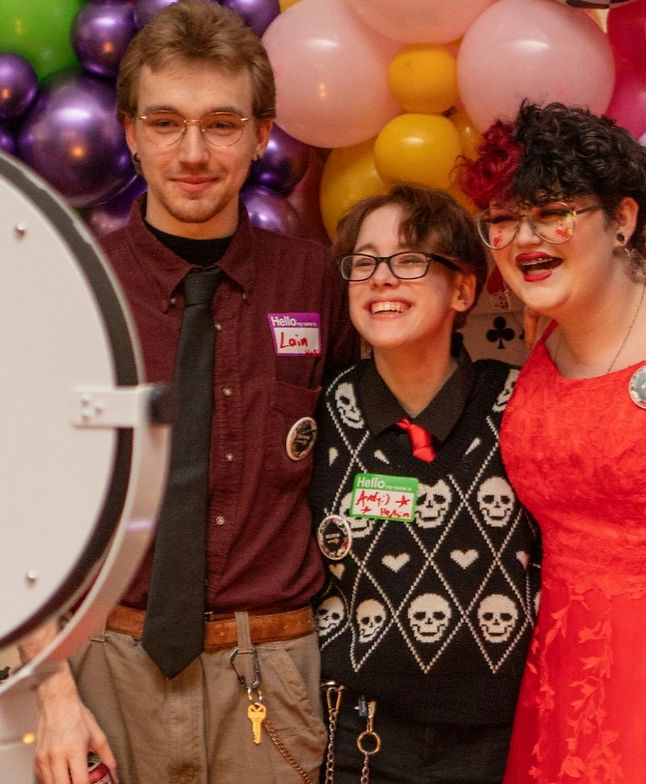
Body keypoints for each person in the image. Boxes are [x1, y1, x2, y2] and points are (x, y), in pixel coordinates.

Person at [29, 2, 358, 783]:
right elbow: (20, 504)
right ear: (132, 133)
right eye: (167, 122)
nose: (195, 152)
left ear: (261, 134)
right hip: (98, 671)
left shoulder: (315, 280)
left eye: (221, 123)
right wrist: (52, 698)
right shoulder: (72, 289)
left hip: (271, 674)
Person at [456, 101, 646, 783]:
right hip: (571, 671)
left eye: (554, 212)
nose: (523, 238)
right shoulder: (549, 332)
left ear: (623, 219)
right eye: (504, 220)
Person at [308, 183, 540, 783]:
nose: (381, 278)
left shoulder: (520, 403)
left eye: (410, 260)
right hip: (360, 736)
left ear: (463, 289)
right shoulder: (324, 412)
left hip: (503, 736)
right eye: (365, 263)